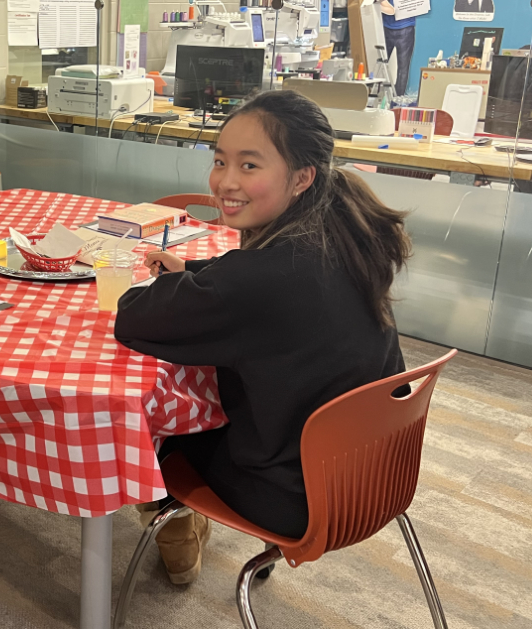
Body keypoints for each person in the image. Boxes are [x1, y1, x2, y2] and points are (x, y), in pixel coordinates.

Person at [114, 90, 410, 585]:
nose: (226, 181)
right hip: (370, 476)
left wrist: (172, 282)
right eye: (219, 161)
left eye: (249, 166)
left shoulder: (262, 278)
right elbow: (251, 286)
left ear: (302, 177)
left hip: (292, 496)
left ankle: (179, 537)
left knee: (154, 430)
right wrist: (197, 272)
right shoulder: (344, 236)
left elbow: (135, 316)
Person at [381, 0, 430, 96]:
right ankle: (375, 97)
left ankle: (398, 100)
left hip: (406, 29)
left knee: (403, 68)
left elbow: (421, 3)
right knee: (379, 64)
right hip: (385, 26)